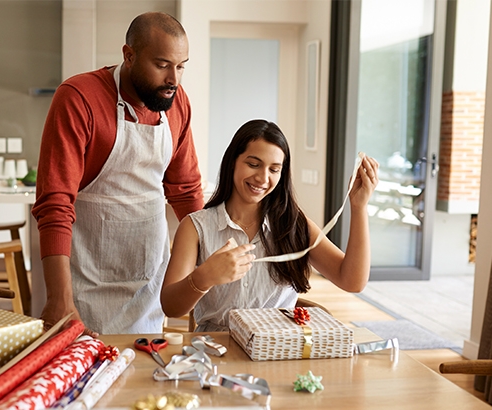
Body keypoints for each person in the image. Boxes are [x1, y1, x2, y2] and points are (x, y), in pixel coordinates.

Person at [32, 12, 204, 335]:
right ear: (129, 55)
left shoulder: (177, 104)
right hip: (83, 282)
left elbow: (186, 191)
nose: (174, 79)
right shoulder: (79, 98)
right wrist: (59, 298)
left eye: (181, 66)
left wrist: (210, 259)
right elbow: (54, 205)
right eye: (162, 64)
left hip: (148, 278)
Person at [160, 119, 379, 332]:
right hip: (216, 353)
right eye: (253, 164)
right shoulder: (195, 227)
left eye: (274, 170)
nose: (263, 178)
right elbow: (170, 307)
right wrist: (204, 277)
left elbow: (352, 282)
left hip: (277, 353)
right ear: (232, 161)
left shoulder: (296, 226)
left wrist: (359, 207)